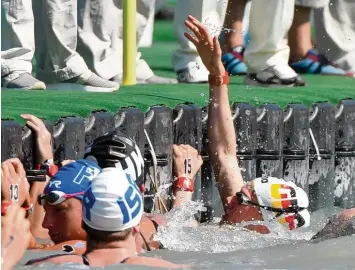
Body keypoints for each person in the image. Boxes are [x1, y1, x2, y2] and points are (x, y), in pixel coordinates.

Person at [184, 15, 310, 232]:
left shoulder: (226, 242)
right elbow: (225, 154)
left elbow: (176, 230)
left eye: (242, 197)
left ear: (261, 219)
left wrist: (183, 182)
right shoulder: (245, 221)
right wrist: (217, 73)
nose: (233, 197)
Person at [28, 167, 184, 268]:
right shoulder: (167, 265)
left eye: (59, 210)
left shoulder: (46, 264)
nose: (45, 223)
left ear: (85, 218)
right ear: (136, 222)